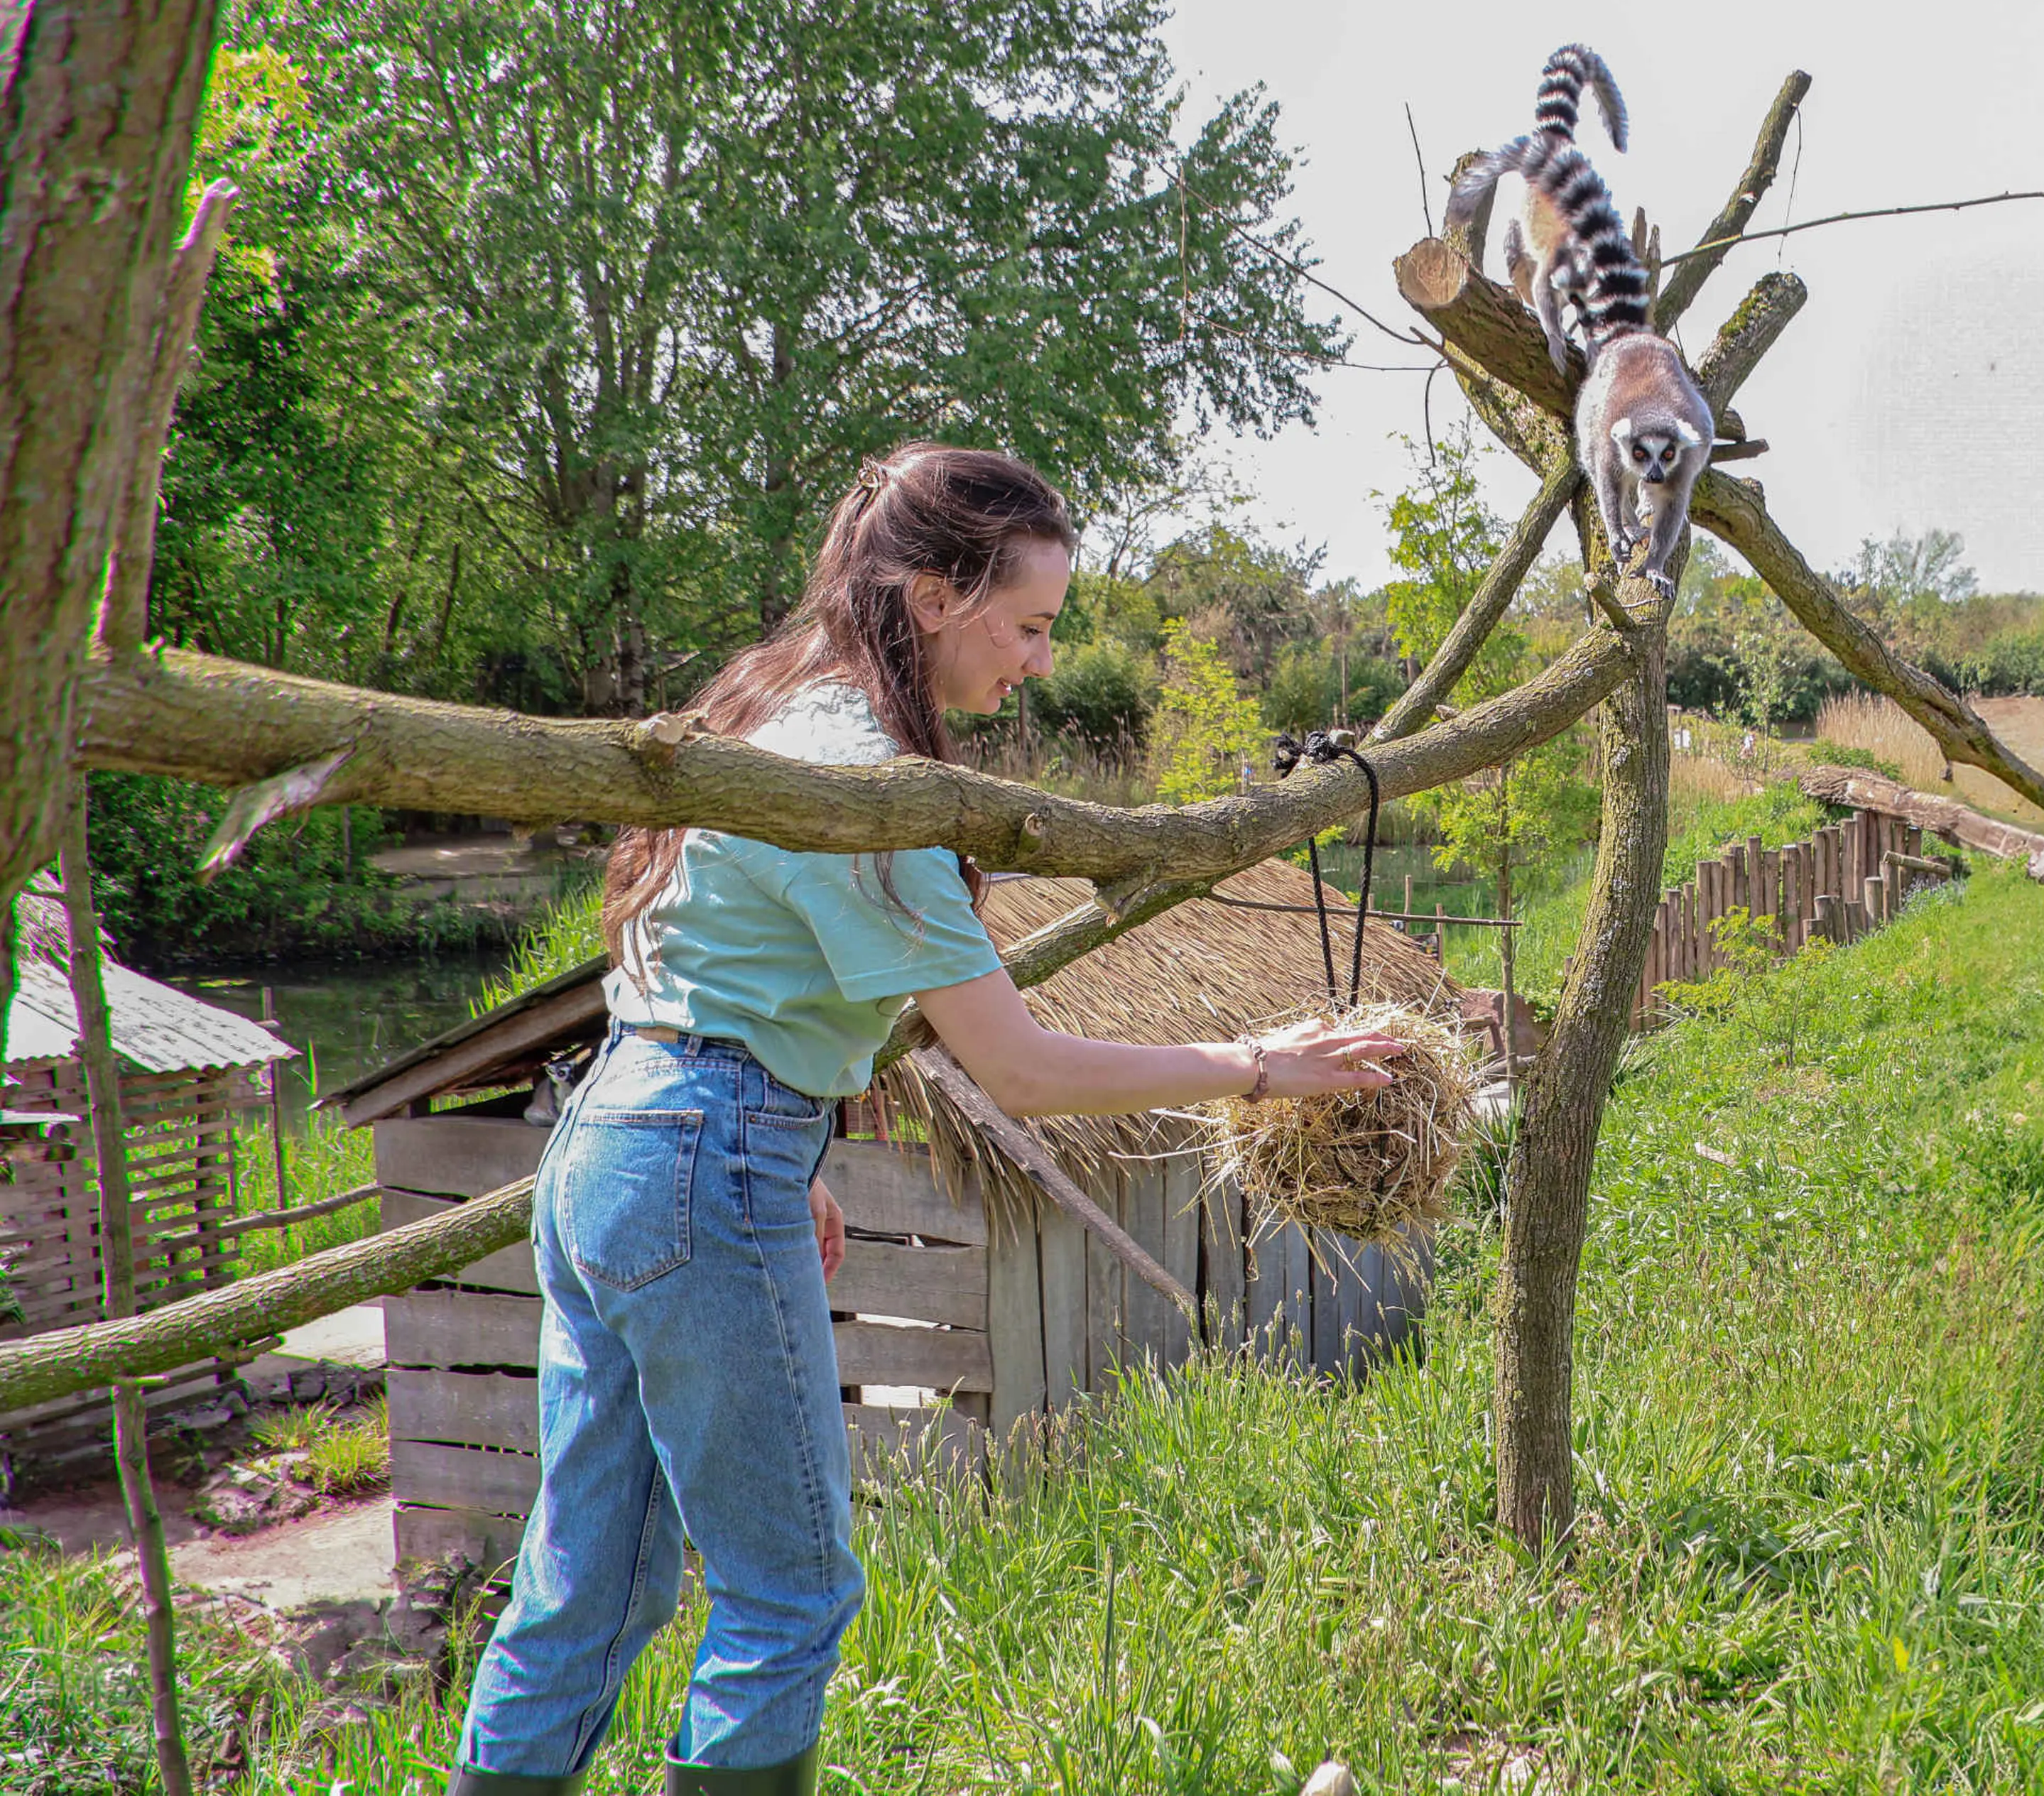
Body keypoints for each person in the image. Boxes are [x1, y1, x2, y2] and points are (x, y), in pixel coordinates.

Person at [449, 445, 1402, 1796]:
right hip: (695, 1154)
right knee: (789, 1598)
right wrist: (1255, 1065)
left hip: (617, 1137)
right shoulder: (866, 790)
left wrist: (790, 1143)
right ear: (939, 594)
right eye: (1030, 625)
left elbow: (715, 975)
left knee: (588, 1585)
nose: (1040, 661)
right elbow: (1017, 1068)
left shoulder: (774, 710)